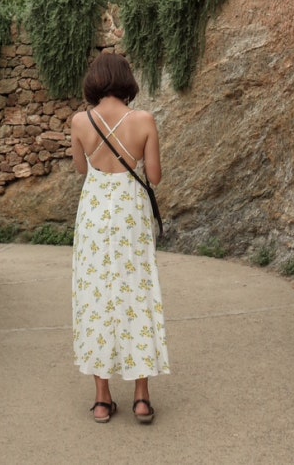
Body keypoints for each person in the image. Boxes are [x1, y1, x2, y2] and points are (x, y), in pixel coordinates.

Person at [70, 50, 170, 424]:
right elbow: (154, 176)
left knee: (95, 296)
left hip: (94, 214)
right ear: (126, 80)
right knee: (137, 293)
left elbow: (82, 169)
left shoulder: (80, 121)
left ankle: (102, 400)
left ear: (94, 82)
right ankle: (141, 398)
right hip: (130, 214)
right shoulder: (144, 120)